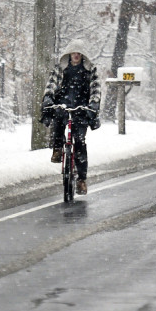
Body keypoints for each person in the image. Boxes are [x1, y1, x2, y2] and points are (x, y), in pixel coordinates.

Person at [39, 40, 101, 195]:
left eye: (79, 53)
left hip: (81, 108)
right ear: (69, 54)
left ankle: (81, 179)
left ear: (82, 56)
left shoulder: (90, 70)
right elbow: (51, 84)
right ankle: (58, 149)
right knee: (58, 124)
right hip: (62, 105)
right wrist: (48, 97)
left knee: (79, 140)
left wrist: (93, 104)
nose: (76, 55)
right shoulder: (60, 68)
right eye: (74, 53)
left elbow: (95, 89)